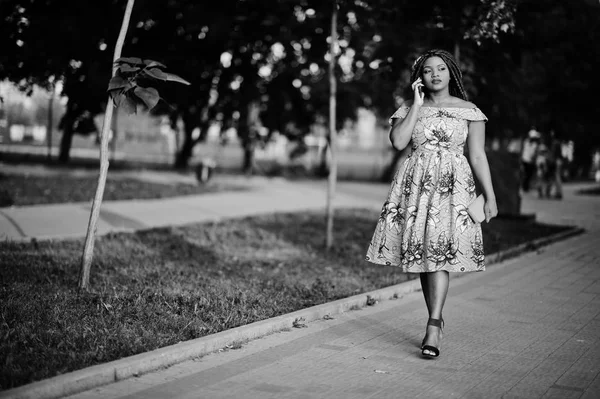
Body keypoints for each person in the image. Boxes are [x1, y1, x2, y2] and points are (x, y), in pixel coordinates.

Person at [365, 49, 498, 359]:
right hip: (416, 188)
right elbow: (398, 142)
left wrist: (490, 195)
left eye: (441, 68)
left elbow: (477, 155)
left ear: (451, 73)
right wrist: (416, 105)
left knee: (437, 251)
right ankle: (435, 320)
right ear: (420, 78)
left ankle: (433, 326)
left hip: (453, 188)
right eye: (427, 70)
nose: (435, 74)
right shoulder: (409, 109)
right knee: (425, 253)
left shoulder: (470, 112)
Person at [521, 128, 541, 192]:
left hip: (529, 161)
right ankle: (525, 186)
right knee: (526, 174)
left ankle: (526, 186)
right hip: (525, 160)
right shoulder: (526, 142)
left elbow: (535, 153)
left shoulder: (534, 144)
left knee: (528, 175)